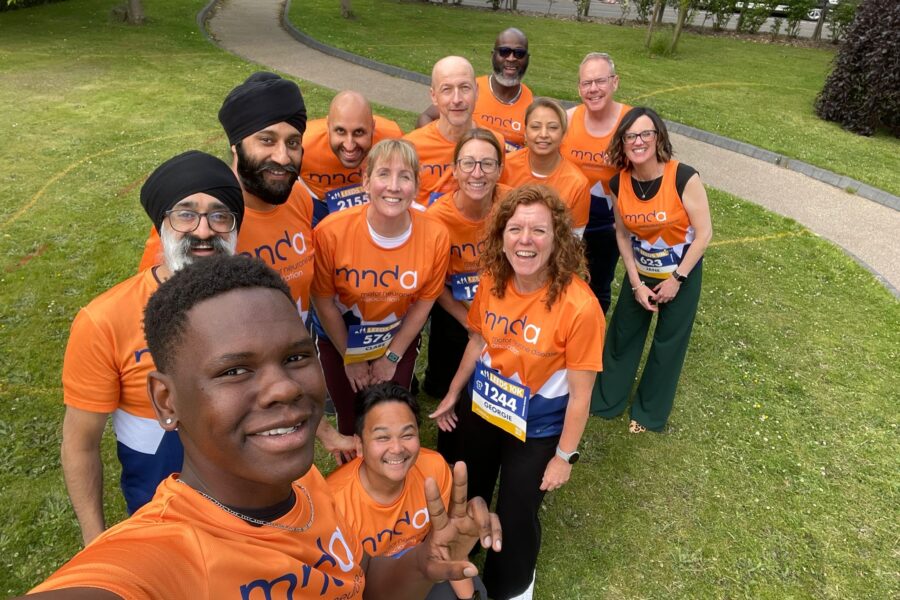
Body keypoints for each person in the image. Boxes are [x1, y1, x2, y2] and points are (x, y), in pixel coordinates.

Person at [27, 255, 502, 599]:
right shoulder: (165, 555)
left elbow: (355, 585)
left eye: (296, 357)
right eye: (235, 370)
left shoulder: (307, 484)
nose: (283, 389)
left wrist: (423, 564)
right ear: (166, 401)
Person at [430, 185, 605, 600]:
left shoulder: (580, 307)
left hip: (538, 427)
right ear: (501, 235)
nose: (525, 240)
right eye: (515, 228)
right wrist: (454, 391)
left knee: (516, 510)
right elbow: (478, 341)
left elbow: (581, 396)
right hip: (484, 408)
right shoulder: (493, 278)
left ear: (558, 238)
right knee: (467, 486)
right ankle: (457, 564)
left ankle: (511, 586)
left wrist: (565, 457)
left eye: (538, 230)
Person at [61, 150, 243, 546]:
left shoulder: (258, 304)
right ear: (161, 224)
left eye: (219, 214)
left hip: (250, 506)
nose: (204, 230)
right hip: (161, 521)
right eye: (185, 213)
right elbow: (80, 444)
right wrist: (95, 542)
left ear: (234, 227)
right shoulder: (105, 320)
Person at [136, 72, 317, 324]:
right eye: (267, 140)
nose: (283, 157)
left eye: (293, 142)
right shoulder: (195, 221)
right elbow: (154, 305)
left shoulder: (298, 197)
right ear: (236, 145)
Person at [312, 139, 450, 435]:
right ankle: (352, 478)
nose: (394, 186)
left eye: (405, 176)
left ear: (416, 185)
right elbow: (322, 301)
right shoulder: (330, 232)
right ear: (366, 181)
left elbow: (425, 302)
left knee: (391, 420)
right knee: (352, 423)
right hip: (340, 341)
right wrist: (351, 358)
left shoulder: (436, 235)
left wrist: (391, 357)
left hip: (396, 339)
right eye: (384, 174)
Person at [590, 107, 713, 433]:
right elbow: (622, 233)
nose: (638, 141)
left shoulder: (684, 176)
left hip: (680, 275)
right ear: (623, 142)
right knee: (622, 334)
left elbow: (704, 235)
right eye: (631, 135)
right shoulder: (619, 182)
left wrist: (676, 280)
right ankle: (606, 401)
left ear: (658, 137)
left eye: (646, 133)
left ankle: (648, 413)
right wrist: (635, 282)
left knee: (668, 344)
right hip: (641, 274)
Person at [327, 383, 488, 600]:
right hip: (369, 589)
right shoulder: (332, 504)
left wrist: (470, 598)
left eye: (407, 434)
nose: (397, 448)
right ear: (359, 444)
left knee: (477, 591)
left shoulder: (434, 469)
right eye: (382, 437)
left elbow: (446, 545)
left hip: (423, 567)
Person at [422, 128, 509, 464]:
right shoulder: (437, 219)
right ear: (454, 169)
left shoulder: (512, 204)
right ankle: (450, 453)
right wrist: (470, 324)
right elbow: (435, 285)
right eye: (469, 163)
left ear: (500, 170)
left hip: (503, 311)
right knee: (451, 383)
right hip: (455, 312)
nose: (477, 173)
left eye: (487, 164)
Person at [560, 52, 632, 313]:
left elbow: (651, 173)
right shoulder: (566, 120)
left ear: (615, 82)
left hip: (608, 226)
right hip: (566, 221)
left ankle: (592, 338)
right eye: (586, 83)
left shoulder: (631, 123)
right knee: (559, 279)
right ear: (579, 88)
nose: (593, 89)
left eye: (600, 81)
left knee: (598, 287)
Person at [405, 56, 504, 206]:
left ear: (477, 91)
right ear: (434, 96)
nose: (457, 99)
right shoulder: (411, 147)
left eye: (465, 88)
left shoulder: (494, 142)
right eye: (447, 89)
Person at [417, 29, 533, 151]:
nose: (511, 58)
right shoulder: (467, 90)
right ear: (493, 55)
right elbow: (426, 116)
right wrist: (445, 151)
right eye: (504, 52)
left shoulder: (531, 104)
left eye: (519, 53)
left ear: (527, 58)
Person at [301, 90, 404, 226]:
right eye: (340, 131)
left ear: (373, 127)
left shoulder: (393, 138)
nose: (349, 146)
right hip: (319, 207)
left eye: (359, 132)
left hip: (373, 203)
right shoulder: (302, 144)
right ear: (328, 126)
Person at [500, 98, 591, 237]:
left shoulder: (578, 183)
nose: (543, 134)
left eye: (553, 127)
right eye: (535, 127)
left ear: (563, 134)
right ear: (525, 132)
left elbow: (574, 239)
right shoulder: (505, 166)